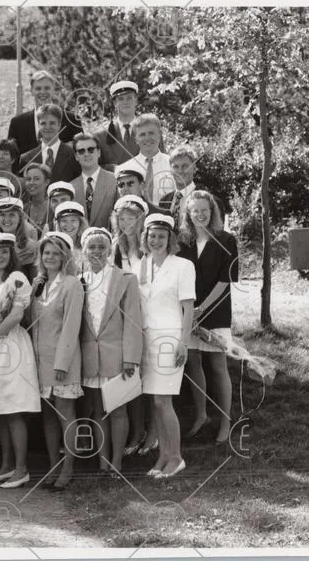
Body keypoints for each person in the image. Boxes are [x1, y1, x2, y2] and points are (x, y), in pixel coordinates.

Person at [0, 232, 39, 488]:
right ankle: (6, 466)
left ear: (11, 254)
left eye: (4, 251)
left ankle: (22, 469)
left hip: (9, 344)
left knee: (12, 408)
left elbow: (15, 316)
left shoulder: (17, 278)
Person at [77, 227, 143, 476]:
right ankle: (102, 462)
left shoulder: (126, 279)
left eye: (102, 247)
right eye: (91, 247)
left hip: (117, 355)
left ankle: (117, 461)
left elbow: (133, 321)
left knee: (118, 410)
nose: (96, 251)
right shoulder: (79, 281)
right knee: (97, 411)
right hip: (90, 356)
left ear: (109, 250)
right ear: (84, 251)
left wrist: (131, 358)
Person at [135, 214, 195, 479]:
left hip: (170, 339)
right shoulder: (140, 265)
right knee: (155, 402)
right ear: (145, 238)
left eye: (161, 236)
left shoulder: (183, 266)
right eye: (152, 236)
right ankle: (163, 455)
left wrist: (184, 343)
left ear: (170, 239)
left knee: (163, 400)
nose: (156, 241)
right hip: (146, 339)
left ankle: (177, 457)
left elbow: (188, 307)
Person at [178, 190, 238, 445]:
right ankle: (201, 415)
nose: (200, 214)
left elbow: (226, 280)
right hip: (188, 312)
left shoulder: (226, 239)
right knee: (192, 361)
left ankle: (225, 422)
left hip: (216, 311)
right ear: (188, 214)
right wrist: (190, 311)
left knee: (217, 365)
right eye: (195, 211)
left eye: (204, 210)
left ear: (212, 211)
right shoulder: (183, 241)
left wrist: (202, 309)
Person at [27, 232, 84, 491]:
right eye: (46, 253)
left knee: (65, 415)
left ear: (64, 257)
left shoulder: (71, 284)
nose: (50, 257)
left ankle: (68, 468)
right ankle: (53, 466)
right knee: (48, 417)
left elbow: (72, 326)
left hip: (63, 361)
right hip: (40, 360)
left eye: (55, 253)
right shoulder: (38, 284)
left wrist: (62, 363)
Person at [108, 193, 150, 455]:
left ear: (140, 219)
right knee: (132, 377)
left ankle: (152, 432)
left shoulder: (149, 246)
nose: (127, 223)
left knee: (151, 378)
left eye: (131, 218)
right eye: (122, 219)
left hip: (150, 314)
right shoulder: (115, 248)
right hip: (125, 317)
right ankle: (137, 431)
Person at [93, 81, 165, 168]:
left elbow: (162, 162)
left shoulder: (152, 131)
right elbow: (94, 168)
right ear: (115, 103)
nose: (125, 102)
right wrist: (113, 169)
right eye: (121, 99)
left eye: (129, 98)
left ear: (136, 100)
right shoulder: (101, 135)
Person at [8, 70, 82, 155]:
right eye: (38, 88)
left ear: (53, 90)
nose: (42, 92)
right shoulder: (17, 123)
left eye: (47, 88)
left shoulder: (72, 120)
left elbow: (82, 151)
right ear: (31, 91)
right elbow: (11, 156)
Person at [116, 114, 173, 204]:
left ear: (159, 135)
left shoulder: (173, 166)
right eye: (142, 134)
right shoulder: (123, 169)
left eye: (151, 133)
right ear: (136, 139)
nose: (147, 138)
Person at [19, 104, 81, 183]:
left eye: (52, 123)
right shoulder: (26, 158)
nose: (47, 127)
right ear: (38, 125)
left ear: (59, 125)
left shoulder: (74, 155)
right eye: (43, 123)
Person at [70, 132, 117, 229]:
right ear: (76, 156)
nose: (86, 154)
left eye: (91, 150)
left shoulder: (115, 181)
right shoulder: (70, 187)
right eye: (81, 151)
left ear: (99, 152)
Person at [0, 198, 37, 281]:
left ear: (20, 218)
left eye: (11, 215)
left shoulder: (30, 247)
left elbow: (33, 279)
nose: (6, 219)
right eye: (2, 215)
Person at [158, 145, 199, 226]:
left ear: (194, 168)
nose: (180, 171)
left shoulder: (209, 200)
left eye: (185, 166)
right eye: (175, 167)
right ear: (170, 170)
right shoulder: (164, 201)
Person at [21, 163, 51, 232]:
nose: (31, 182)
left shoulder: (53, 208)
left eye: (36, 179)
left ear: (46, 182)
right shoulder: (22, 209)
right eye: (28, 179)